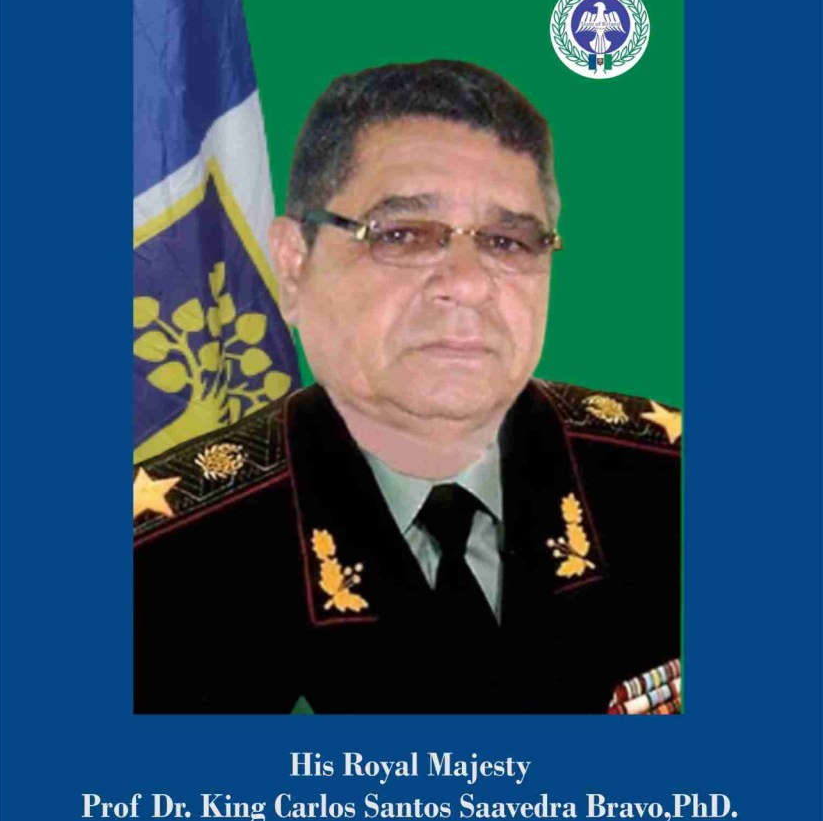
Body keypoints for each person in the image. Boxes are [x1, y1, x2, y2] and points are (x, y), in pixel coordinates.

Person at [133, 60, 681, 714]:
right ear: (293, 265)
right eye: (402, 235)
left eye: (508, 241)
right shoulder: (155, 566)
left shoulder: (669, 486)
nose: (468, 283)